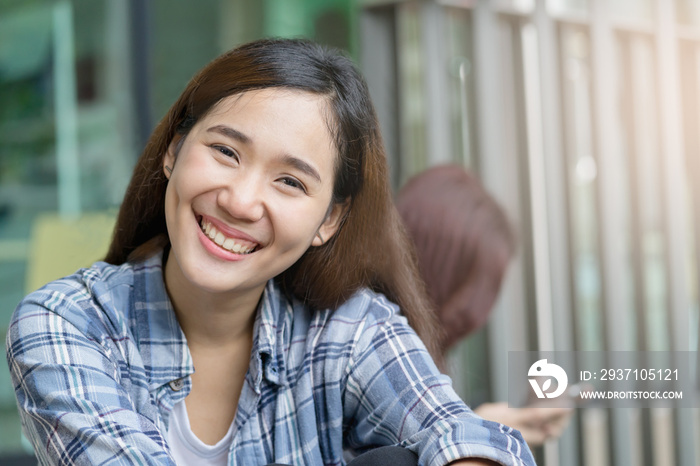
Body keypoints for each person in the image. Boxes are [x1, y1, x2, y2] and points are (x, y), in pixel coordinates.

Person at [5, 39, 535, 466]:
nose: (240, 201)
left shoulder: (346, 330)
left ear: (329, 219)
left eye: (289, 181)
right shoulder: (66, 325)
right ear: (173, 150)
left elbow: (456, 429)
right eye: (225, 151)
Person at [396, 165, 572, 447]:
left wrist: (481, 429)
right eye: (479, 287)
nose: (478, 311)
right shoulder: (381, 349)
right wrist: (476, 433)